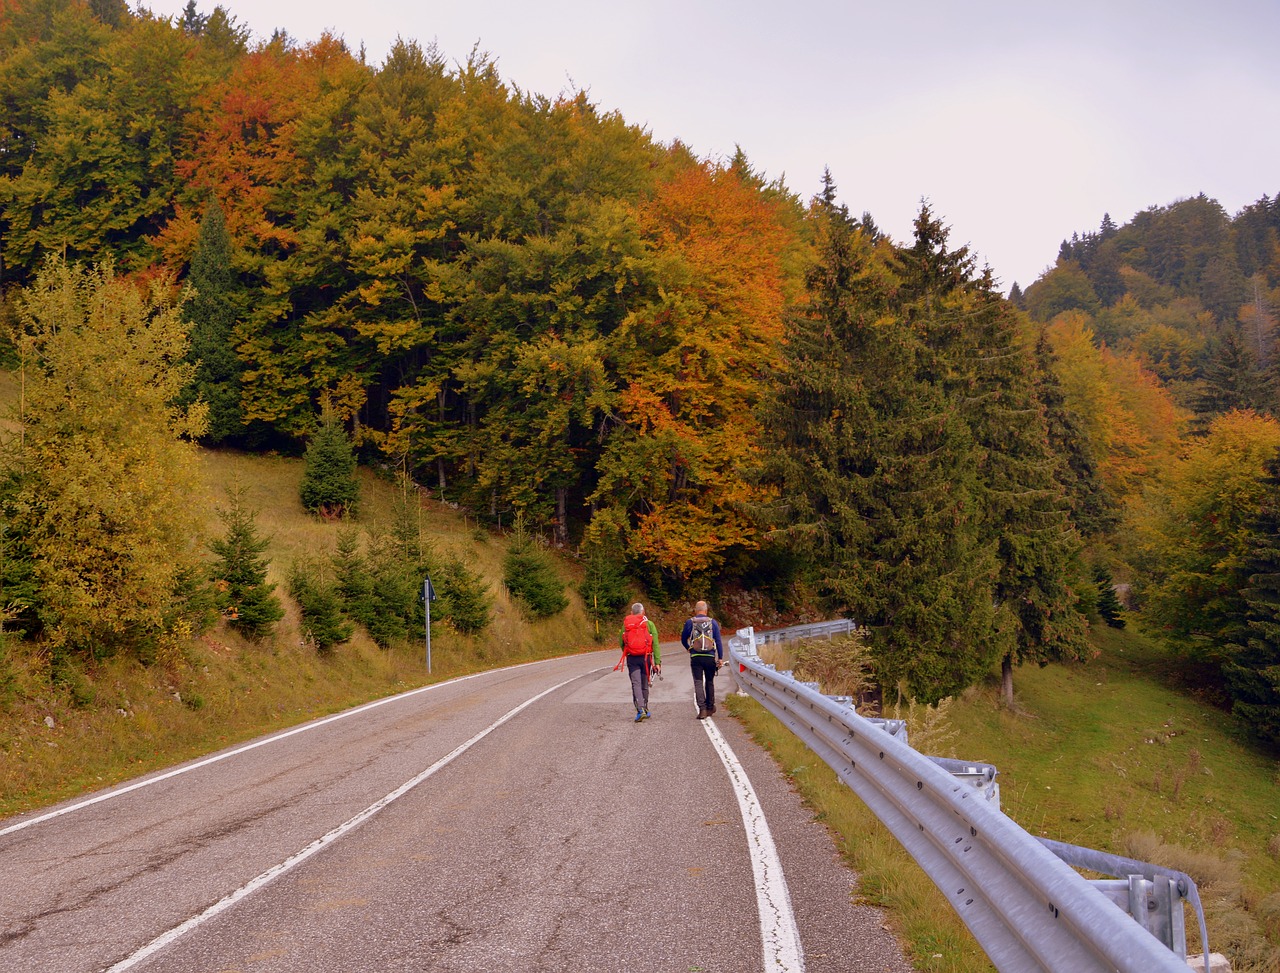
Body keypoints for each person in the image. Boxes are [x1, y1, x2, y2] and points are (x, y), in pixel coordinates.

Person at [681, 600, 723, 720]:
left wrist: (689, 648)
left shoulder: (690, 622)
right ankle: (710, 707)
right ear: (706, 610)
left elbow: (683, 639)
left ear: (695, 610)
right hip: (710, 656)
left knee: (698, 682)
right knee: (709, 681)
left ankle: (702, 709)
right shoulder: (712, 622)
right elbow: (718, 641)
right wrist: (720, 658)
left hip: (696, 657)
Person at [618, 602, 660, 722]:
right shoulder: (649, 624)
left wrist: (628, 651)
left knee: (636, 684)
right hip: (646, 658)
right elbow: (655, 643)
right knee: (644, 683)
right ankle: (645, 708)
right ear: (643, 612)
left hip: (632, 658)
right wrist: (657, 662)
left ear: (631, 613)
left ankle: (640, 710)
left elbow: (621, 641)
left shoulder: (626, 624)